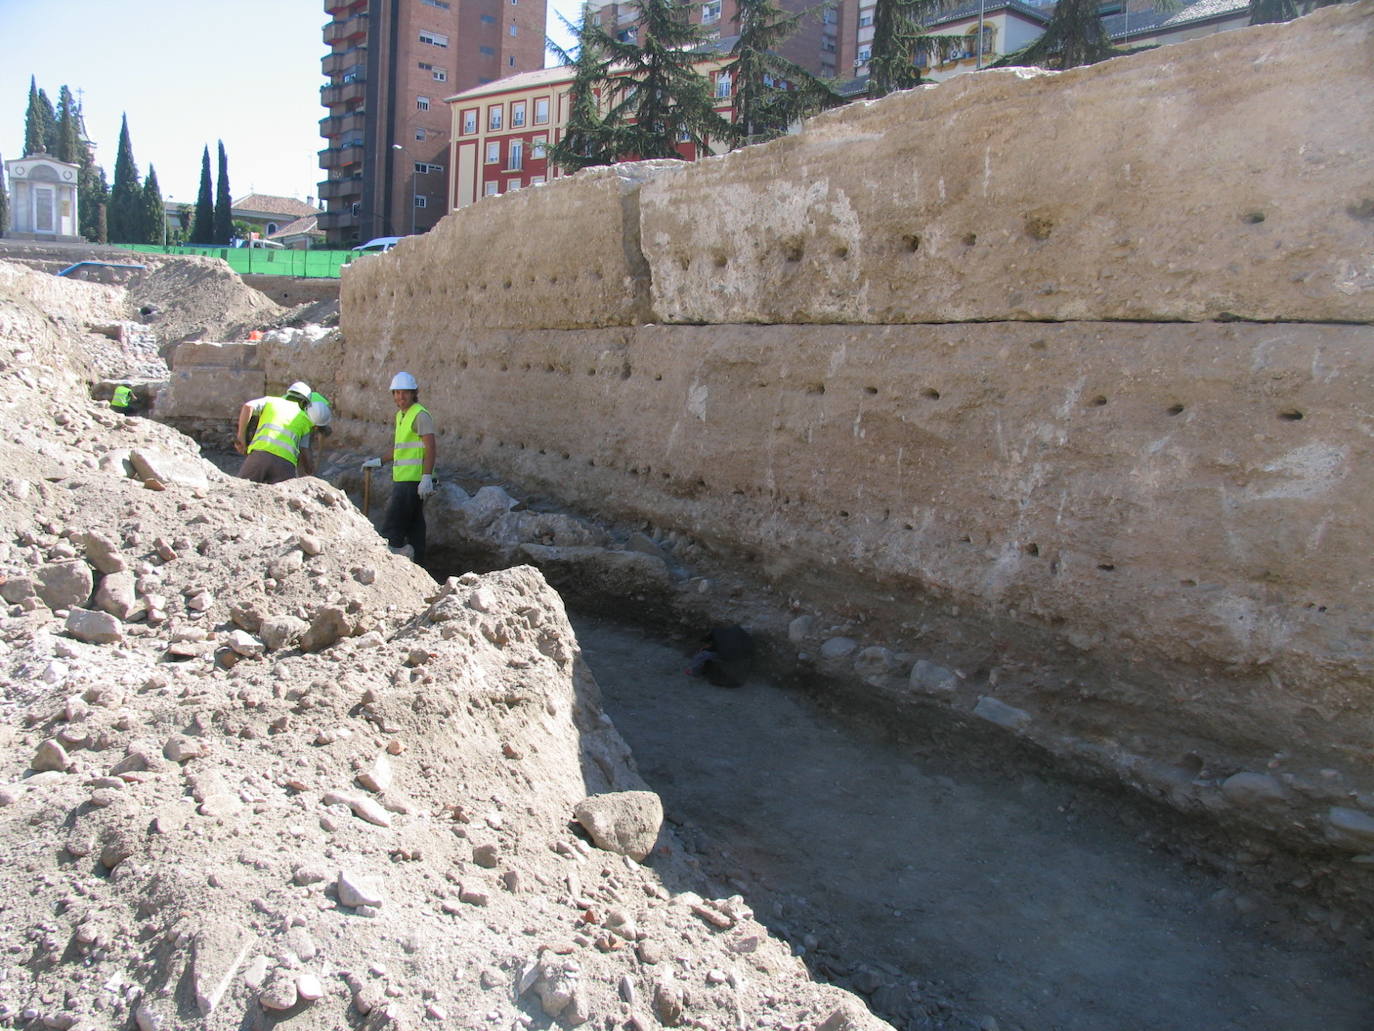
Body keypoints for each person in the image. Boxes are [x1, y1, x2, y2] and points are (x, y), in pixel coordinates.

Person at [362, 371, 436, 563]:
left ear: (414, 393)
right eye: (396, 393)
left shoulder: (420, 415)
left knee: (393, 526)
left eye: (405, 392)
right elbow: (400, 448)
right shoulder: (401, 415)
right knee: (414, 526)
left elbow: (430, 447)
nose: (400, 397)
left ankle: (386, 565)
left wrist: (426, 477)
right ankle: (419, 565)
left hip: (412, 481)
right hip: (405, 479)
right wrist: (379, 461)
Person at [235, 381, 331, 484]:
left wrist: (241, 438)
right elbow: (304, 450)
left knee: (240, 489)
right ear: (305, 402)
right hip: (285, 464)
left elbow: (248, 407)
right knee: (282, 498)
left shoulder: (271, 401)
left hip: (260, 455)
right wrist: (310, 470)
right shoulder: (305, 419)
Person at [685, 625, 754, 687]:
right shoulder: (743, 638)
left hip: (725, 657)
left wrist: (705, 648)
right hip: (738, 658)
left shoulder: (717, 633)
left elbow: (715, 646)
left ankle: (695, 672)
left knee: (701, 656)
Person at [297, 391, 333, 477]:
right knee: (302, 447)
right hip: (295, 420)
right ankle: (303, 473)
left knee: (306, 446)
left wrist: (317, 463)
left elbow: (323, 423)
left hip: (313, 415)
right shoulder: (298, 412)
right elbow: (303, 447)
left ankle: (308, 472)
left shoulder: (324, 407)